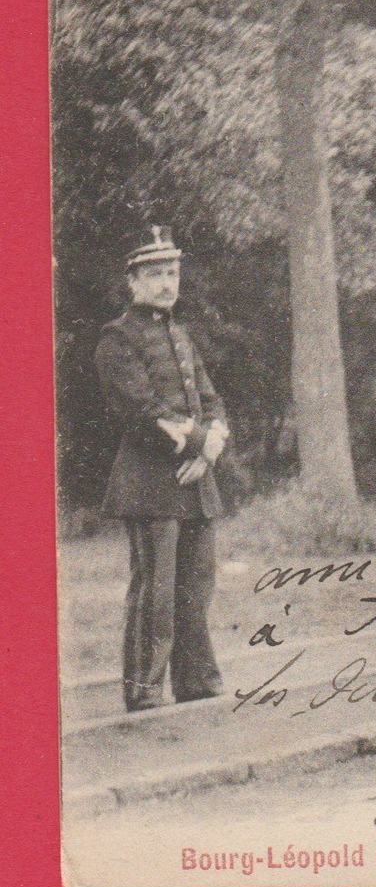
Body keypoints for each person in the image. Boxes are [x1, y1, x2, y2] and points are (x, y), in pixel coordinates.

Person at [94, 226, 229, 712]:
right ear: (132, 281)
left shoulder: (180, 333)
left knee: (196, 587)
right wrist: (197, 443)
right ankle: (145, 689)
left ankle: (196, 683)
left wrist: (209, 450)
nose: (167, 282)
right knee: (156, 591)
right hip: (150, 482)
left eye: (173, 272)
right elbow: (140, 409)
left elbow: (211, 400)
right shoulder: (117, 337)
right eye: (155, 274)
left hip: (195, 482)